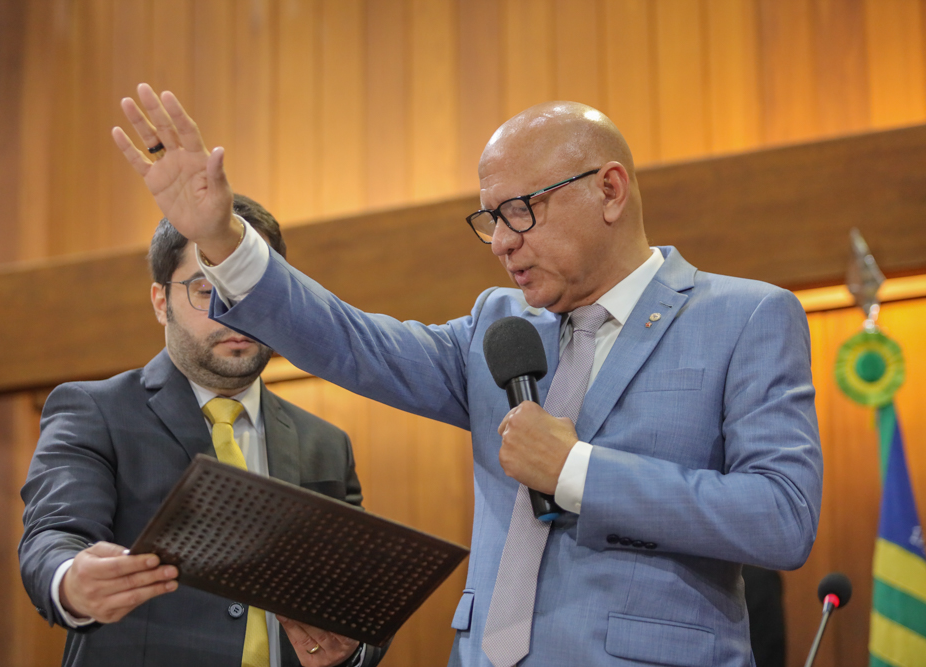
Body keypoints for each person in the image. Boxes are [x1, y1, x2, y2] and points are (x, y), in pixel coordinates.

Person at [112, 84, 823, 667]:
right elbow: (352, 342)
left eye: (521, 210)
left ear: (610, 190)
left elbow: (783, 517)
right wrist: (222, 243)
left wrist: (577, 469)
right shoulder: (498, 327)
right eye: (490, 219)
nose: (504, 240)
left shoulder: (747, 317)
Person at [19, 194, 385, 667]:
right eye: (206, 289)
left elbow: (356, 606)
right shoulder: (95, 411)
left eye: (253, 290)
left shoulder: (326, 444)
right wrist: (69, 580)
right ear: (160, 301)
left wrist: (353, 649)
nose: (233, 311)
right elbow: (54, 535)